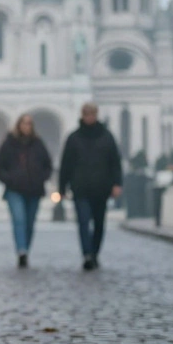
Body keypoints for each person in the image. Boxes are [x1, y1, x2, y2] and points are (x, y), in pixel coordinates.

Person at [58, 102, 123, 270]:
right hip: (80, 188)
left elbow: (115, 162)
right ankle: (87, 254)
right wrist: (62, 187)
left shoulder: (106, 136)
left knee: (99, 224)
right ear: (82, 115)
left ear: (96, 115)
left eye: (92, 114)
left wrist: (117, 183)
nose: (89, 117)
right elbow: (66, 164)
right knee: (83, 222)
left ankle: (95, 252)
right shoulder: (73, 138)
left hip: (102, 188)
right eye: (86, 114)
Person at [0, 114, 54, 268]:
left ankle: (25, 248)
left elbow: (48, 165)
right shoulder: (9, 143)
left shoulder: (38, 143)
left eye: (29, 123)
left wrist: (41, 178)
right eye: (24, 123)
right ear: (19, 125)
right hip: (15, 189)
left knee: (30, 223)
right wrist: (9, 179)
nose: (27, 126)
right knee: (19, 220)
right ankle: (21, 251)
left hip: (34, 189)